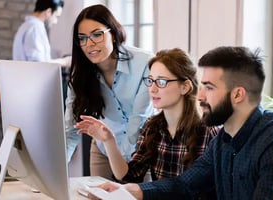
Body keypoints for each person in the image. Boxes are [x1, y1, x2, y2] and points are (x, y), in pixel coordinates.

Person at [96, 46, 273, 199]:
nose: (200, 95)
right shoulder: (224, 140)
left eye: (210, 88)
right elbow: (184, 185)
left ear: (237, 95)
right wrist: (130, 190)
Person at [74, 48, 219, 185]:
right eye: (150, 80)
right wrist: (109, 140)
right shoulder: (152, 127)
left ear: (185, 87)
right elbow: (129, 176)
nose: (153, 89)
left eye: (161, 82)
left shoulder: (208, 132)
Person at [65, 4, 155, 178]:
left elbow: (139, 120)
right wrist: (56, 172)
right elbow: (71, 128)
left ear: (112, 34)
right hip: (103, 147)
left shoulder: (145, 63)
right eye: (82, 38)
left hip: (142, 150)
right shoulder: (81, 75)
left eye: (97, 35)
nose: (89, 44)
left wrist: (123, 168)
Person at [12, 0, 70, 66]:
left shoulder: (27, 25)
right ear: (48, 12)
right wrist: (65, 61)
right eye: (56, 16)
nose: (55, 21)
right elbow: (39, 64)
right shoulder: (35, 28)